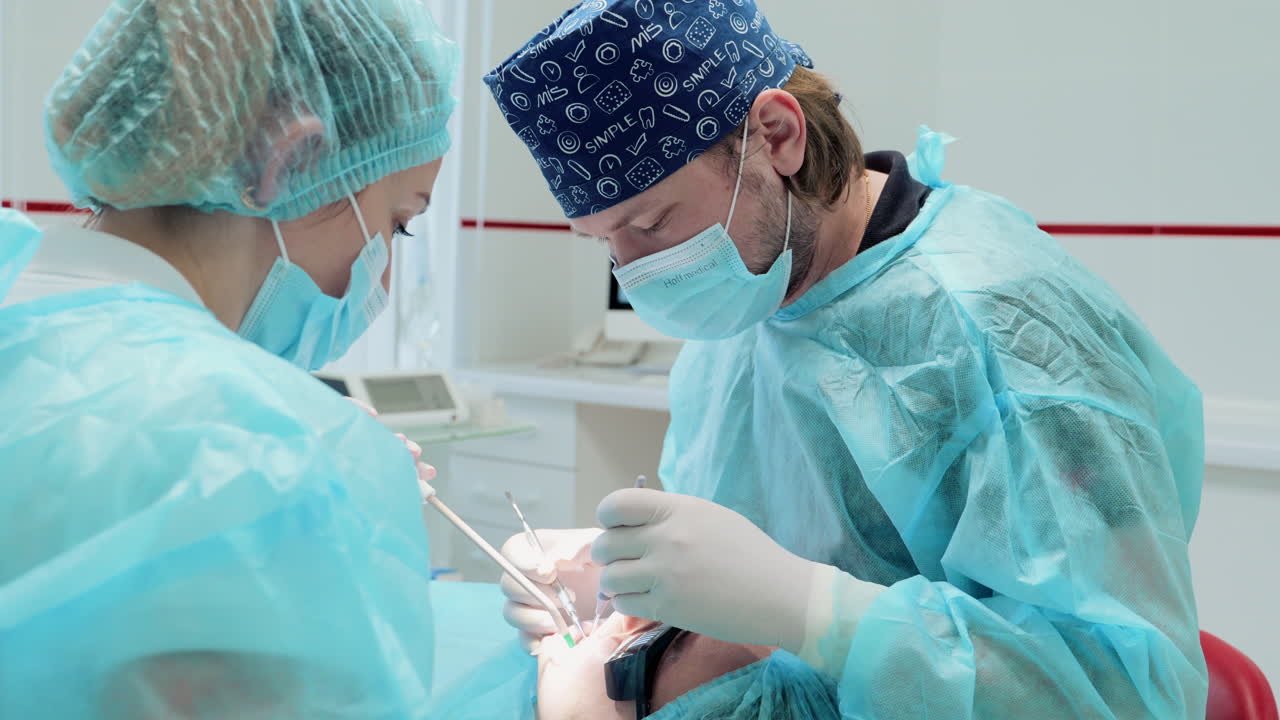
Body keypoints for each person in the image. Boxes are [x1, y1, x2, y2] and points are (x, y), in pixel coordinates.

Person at [485, 1, 1208, 717]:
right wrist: (632, 583)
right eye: (605, 242)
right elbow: (732, 548)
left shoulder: (1001, 328)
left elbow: (1121, 690)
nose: (634, 271)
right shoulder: (748, 305)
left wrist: (816, 611)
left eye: (650, 224)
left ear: (777, 135)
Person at [0, 1, 456, 717]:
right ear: (291, 159)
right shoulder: (279, 457)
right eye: (398, 223)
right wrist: (313, 469)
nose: (383, 278)